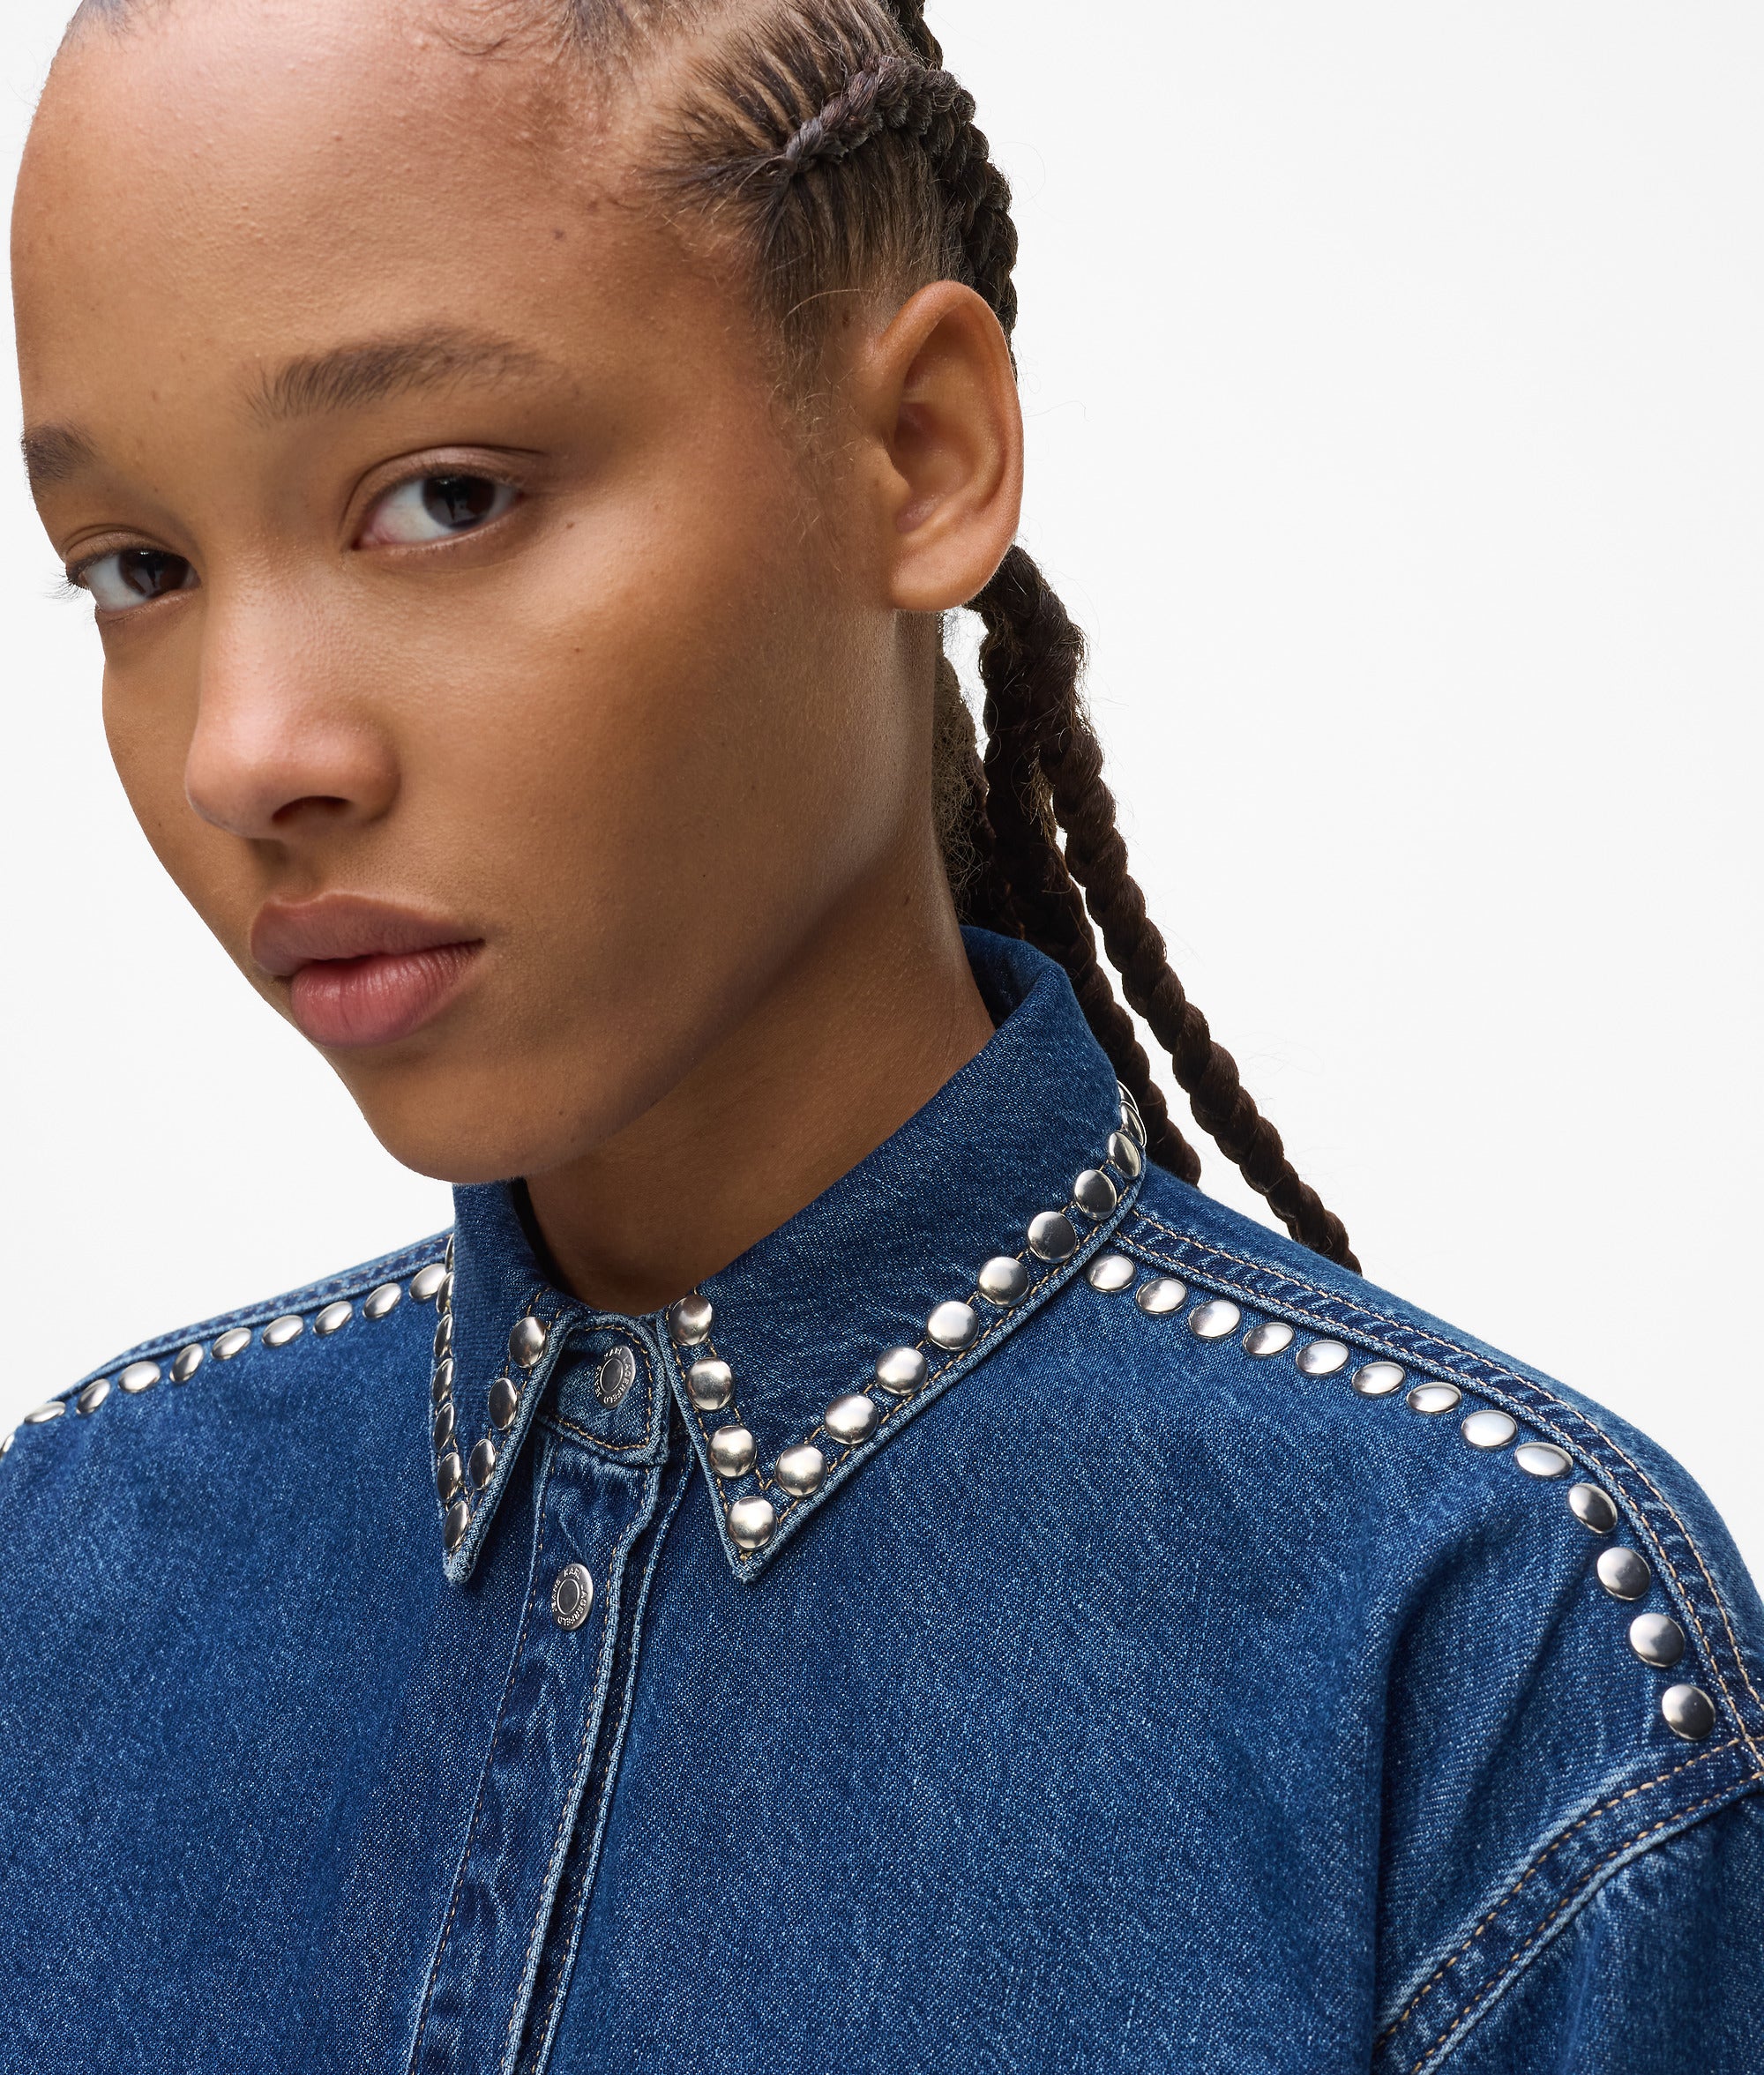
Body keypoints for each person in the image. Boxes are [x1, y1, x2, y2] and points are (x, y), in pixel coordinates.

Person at [4, 0, 1760, 2068]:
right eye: (137, 566)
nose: (244, 753)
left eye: (445, 496)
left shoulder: (1483, 1655)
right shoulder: (75, 1557)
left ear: (921, 453)